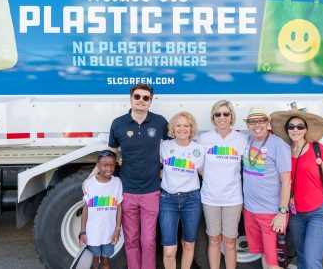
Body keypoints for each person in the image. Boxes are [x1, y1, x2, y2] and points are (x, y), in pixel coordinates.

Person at [87, 83, 168, 269]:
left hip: (151, 191)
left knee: (148, 240)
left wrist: (166, 169)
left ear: (150, 101)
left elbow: (171, 150)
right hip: (127, 191)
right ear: (131, 99)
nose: (141, 100)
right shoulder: (118, 123)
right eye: (137, 97)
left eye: (145, 98)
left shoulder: (160, 122)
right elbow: (110, 153)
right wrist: (91, 176)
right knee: (131, 239)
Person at [270, 111, 323, 269]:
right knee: (302, 258)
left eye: (300, 126)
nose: (295, 130)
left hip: (320, 212)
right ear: (287, 130)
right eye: (291, 126)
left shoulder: (317, 148)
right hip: (296, 215)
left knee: (311, 260)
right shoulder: (284, 151)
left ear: (305, 130)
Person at [197, 100, 247, 269]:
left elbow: (250, 167)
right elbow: (199, 167)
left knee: (230, 241)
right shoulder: (204, 139)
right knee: (213, 239)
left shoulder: (241, 139)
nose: (222, 117)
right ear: (213, 117)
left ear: (231, 116)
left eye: (226, 114)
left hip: (233, 199)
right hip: (210, 198)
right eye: (218, 114)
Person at [242, 107, 291, 269]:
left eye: (261, 121)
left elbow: (286, 181)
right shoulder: (247, 141)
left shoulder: (278, 144)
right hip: (250, 211)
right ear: (248, 125)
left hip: (270, 214)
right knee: (264, 255)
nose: (257, 125)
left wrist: (282, 213)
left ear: (267, 123)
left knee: (274, 263)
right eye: (252, 122)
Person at [159, 111, 204, 269]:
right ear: (173, 128)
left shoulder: (199, 149)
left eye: (186, 125)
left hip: (192, 200)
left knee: (188, 244)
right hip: (168, 200)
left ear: (191, 129)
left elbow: (205, 173)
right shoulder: (164, 147)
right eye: (178, 125)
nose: (182, 128)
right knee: (170, 250)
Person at [79, 150, 123, 269]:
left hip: (109, 233)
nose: (109, 169)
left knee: (105, 260)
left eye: (112, 165)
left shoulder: (117, 183)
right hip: (92, 233)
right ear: (98, 166)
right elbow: (86, 208)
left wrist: (117, 230)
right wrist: (83, 232)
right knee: (93, 261)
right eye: (105, 166)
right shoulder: (89, 183)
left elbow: (119, 207)